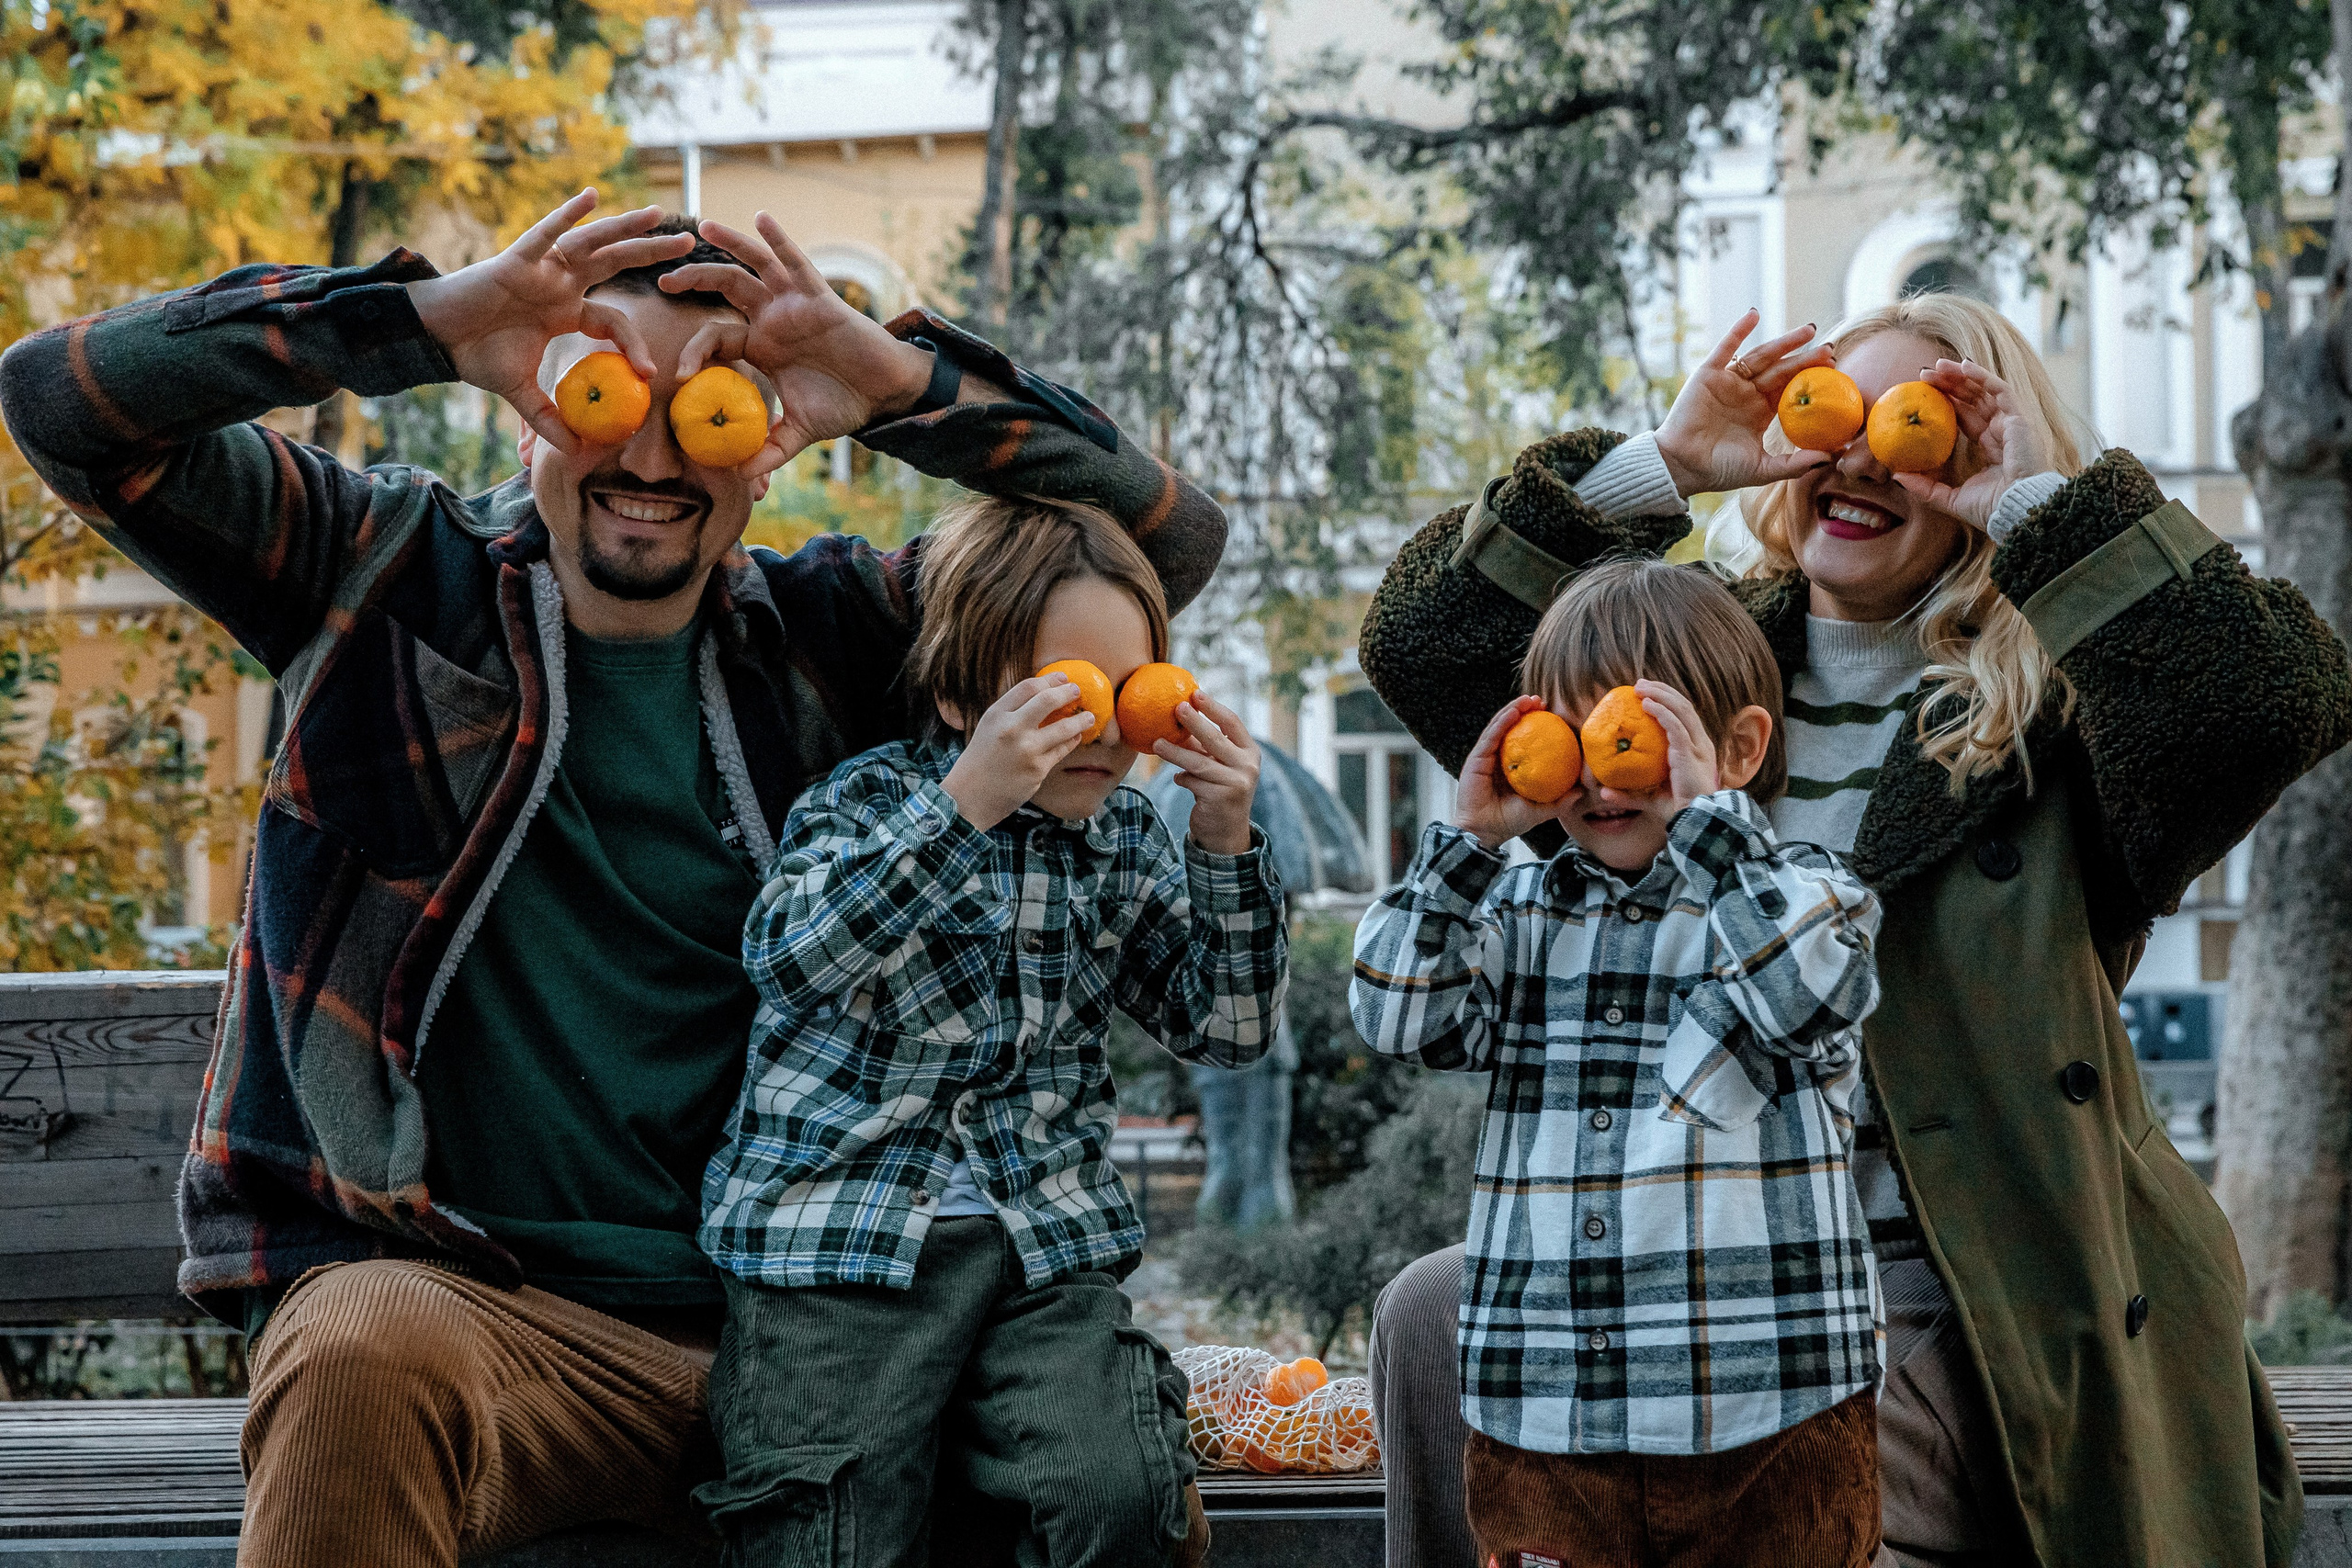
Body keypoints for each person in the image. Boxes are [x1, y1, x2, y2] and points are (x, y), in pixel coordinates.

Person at [0, 191, 1228, 1566]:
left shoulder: (846, 635)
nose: (651, 449)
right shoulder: (379, 575)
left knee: (1131, 1482)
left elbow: (1158, 542)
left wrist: (891, 382)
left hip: (825, 1317)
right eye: (605, 388)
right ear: (535, 406)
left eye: (709, 410)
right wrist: (419, 321)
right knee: (355, 1343)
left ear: (763, 453)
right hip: (497, 1328)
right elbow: (61, 401)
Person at [1354, 290, 2348, 1568]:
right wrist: (1667, 463)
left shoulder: (2066, 722)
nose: (1865, 452)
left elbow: (2274, 698)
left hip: (1951, 1297)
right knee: (1434, 1314)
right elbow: (1427, 643)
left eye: (1917, 425)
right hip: (1687, 1241)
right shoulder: (1690, 673)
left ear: (1977, 459)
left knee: (1750, 1450)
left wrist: (2039, 512)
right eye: (1836, 412)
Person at [695, 494, 1285, 1563]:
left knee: (1118, 1492)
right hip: (837, 1244)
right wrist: (959, 808)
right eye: (1069, 693)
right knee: (826, 1529)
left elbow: (1227, 1031)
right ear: (965, 690)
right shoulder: (866, 803)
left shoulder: (1124, 841)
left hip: (1040, 1247)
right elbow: (789, 962)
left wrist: (1223, 837)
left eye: (1133, 692)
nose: (1109, 728)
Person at [1351, 558, 1885, 1568]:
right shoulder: (1514, 914)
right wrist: (1465, 845)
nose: (1600, 774)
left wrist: (1706, 828)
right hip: (1547, 1427)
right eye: (1572, 738)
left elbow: (1803, 993)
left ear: (1738, 748)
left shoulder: (1805, 896)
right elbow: (1390, 1015)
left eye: (1633, 737)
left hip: (1768, 1418)